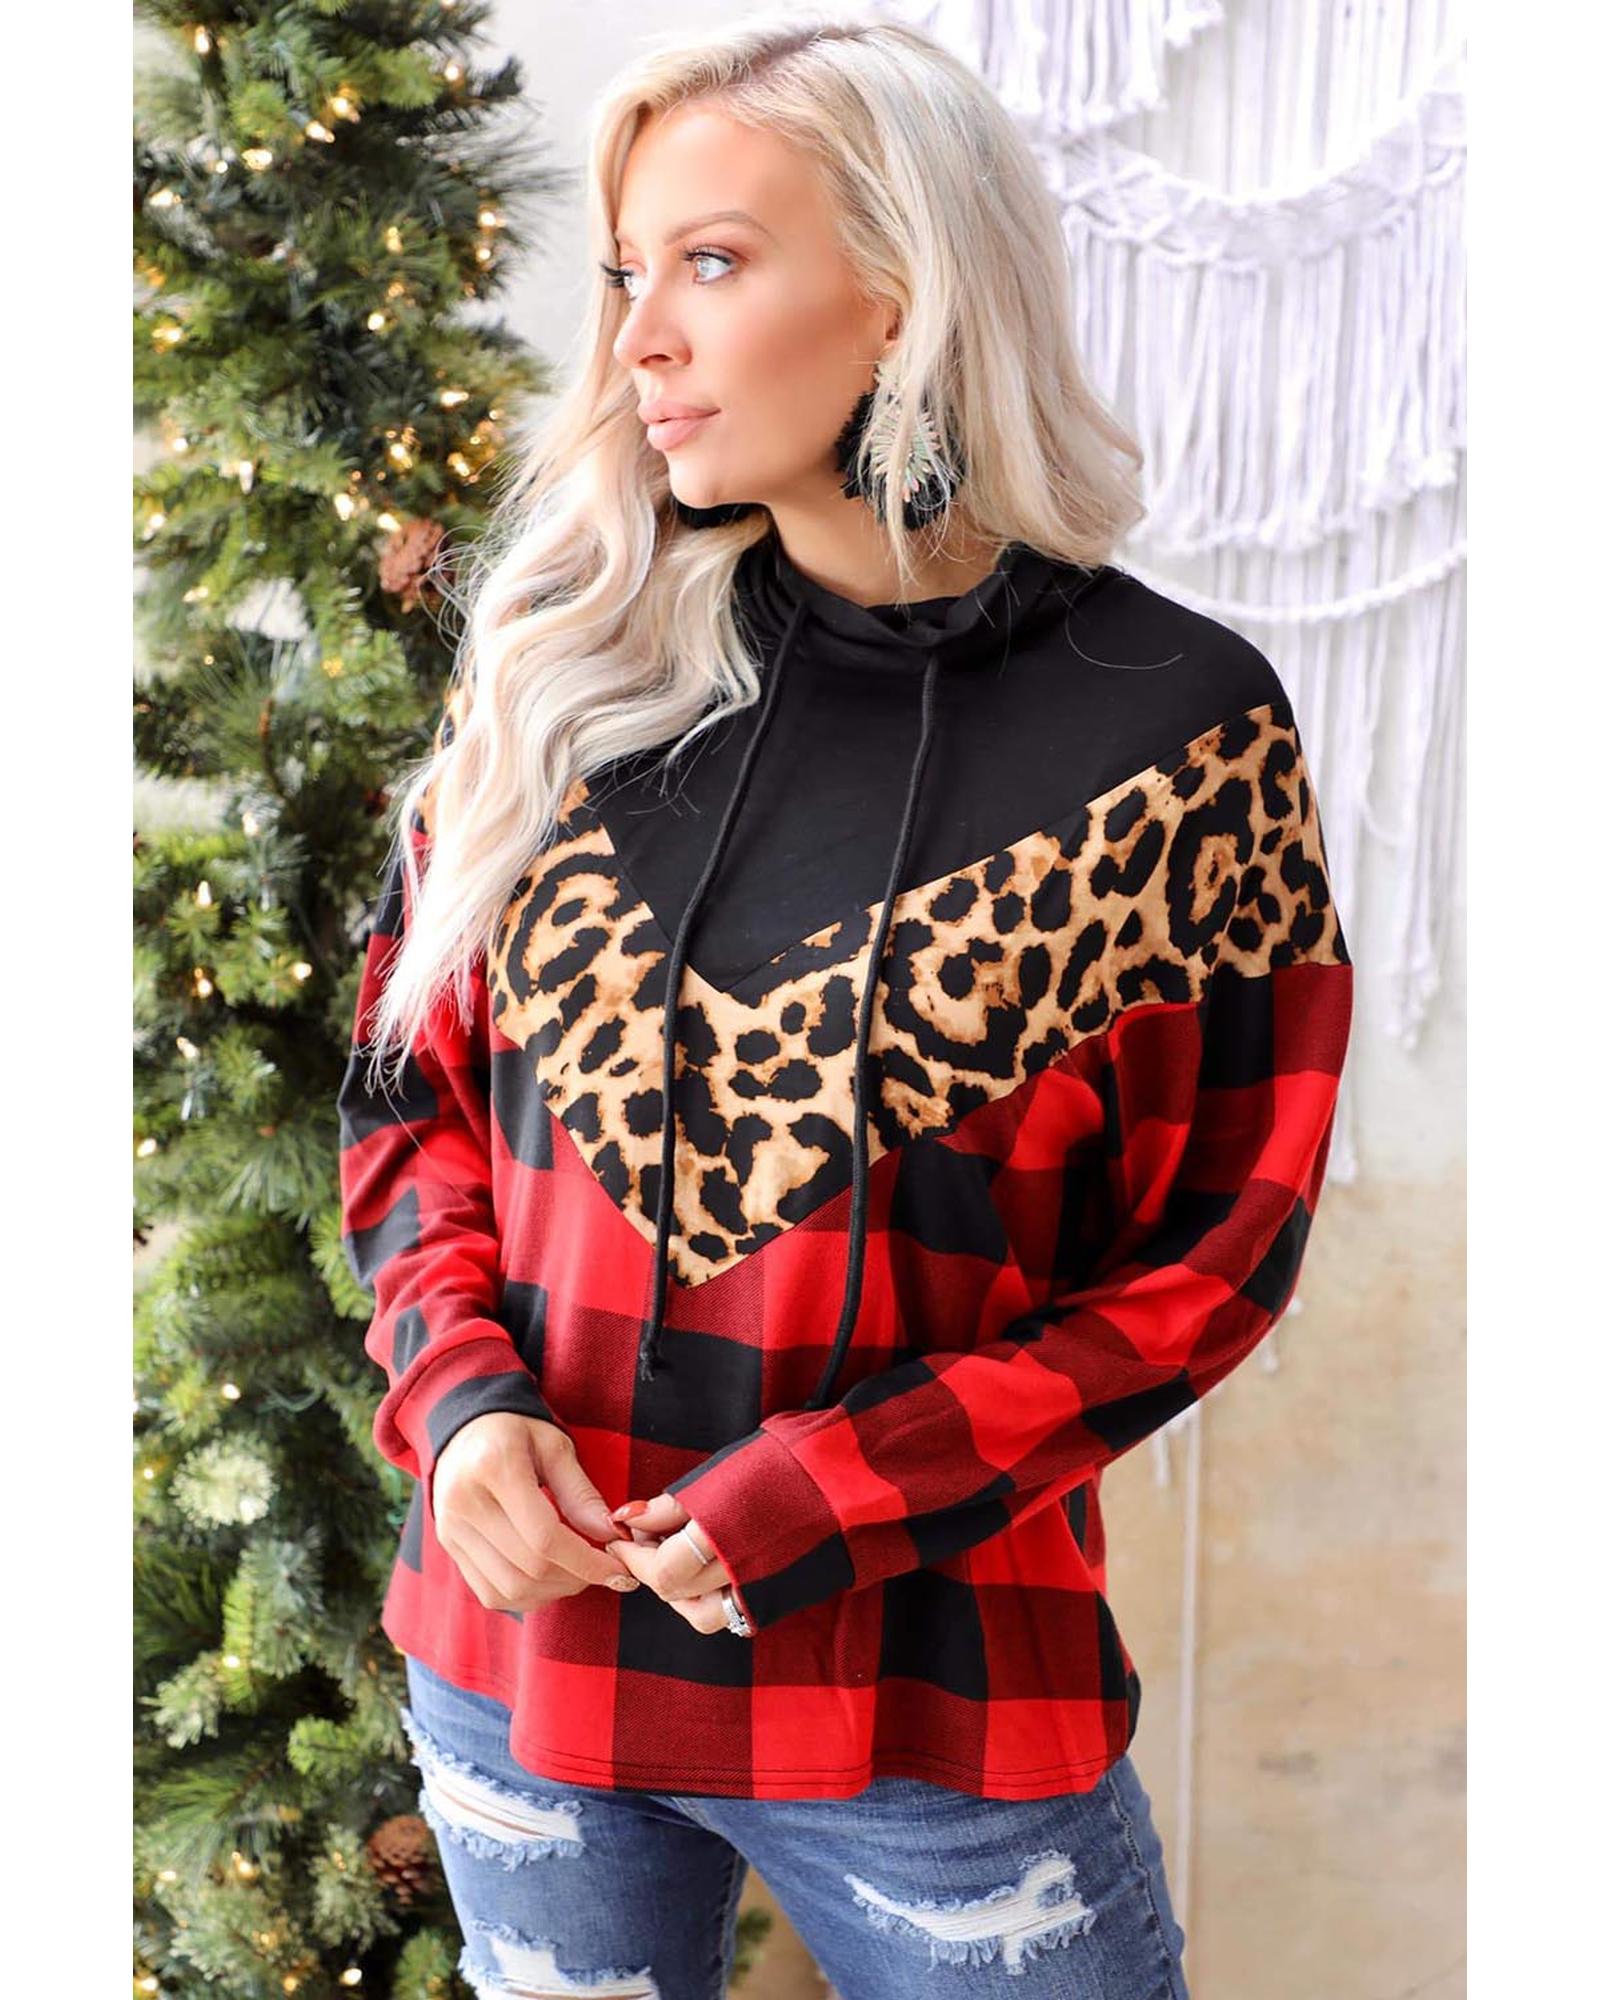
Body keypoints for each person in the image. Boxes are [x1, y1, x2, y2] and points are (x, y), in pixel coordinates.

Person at [336, 12, 1351, 1997]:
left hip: (928, 1707)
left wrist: (839, 1485)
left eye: (711, 263)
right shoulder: (565, 665)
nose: (638, 337)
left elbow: (1209, 1260)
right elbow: (407, 1106)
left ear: (904, 293)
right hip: (520, 1669)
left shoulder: (1176, 737)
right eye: (629, 273)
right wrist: (460, 1411)